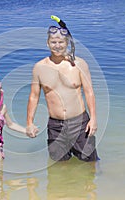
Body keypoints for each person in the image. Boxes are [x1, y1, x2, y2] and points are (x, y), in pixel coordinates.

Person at [26, 17, 99, 162]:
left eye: (61, 42)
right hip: (55, 126)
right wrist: (29, 123)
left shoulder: (79, 64)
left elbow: (89, 92)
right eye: (53, 42)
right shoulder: (39, 68)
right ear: (48, 43)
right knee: (58, 167)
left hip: (80, 123)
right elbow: (34, 97)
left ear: (67, 43)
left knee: (91, 163)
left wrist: (94, 119)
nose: (57, 46)